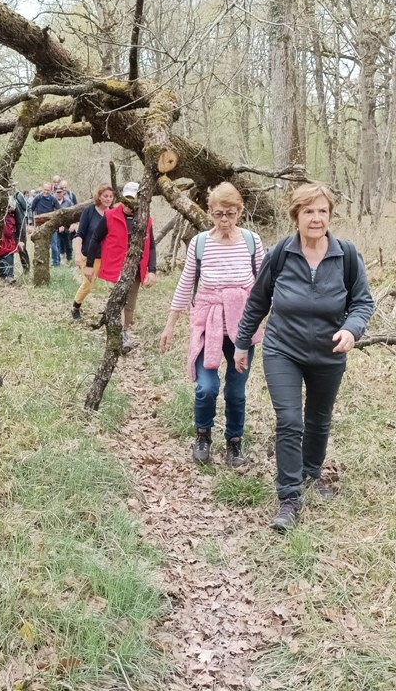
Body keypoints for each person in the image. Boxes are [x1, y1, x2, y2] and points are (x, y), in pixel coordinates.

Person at [234, 182, 374, 531]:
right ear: (296, 215)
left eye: (322, 211)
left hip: (329, 352)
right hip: (283, 349)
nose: (316, 218)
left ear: (330, 215)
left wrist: (352, 330)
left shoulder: (346, 256)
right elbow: (257, 302)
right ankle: (289, 497)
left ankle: (312, 473)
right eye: (308, 211)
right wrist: (241, 343)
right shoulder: (280, 253)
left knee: (319, 419)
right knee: (290, 420)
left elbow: (362, 302)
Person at [159, 182, 265, 467]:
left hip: (243, 326)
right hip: (209, 323)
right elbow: (185, 284)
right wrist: (170, 325)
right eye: (219, 214)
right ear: (210, 212)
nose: (225, 220)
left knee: (235, 389)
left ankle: (234, 443)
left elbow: (265, 286)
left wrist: (275, 320)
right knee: (206, 387)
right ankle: (203, 434)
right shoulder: (200, 243)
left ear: (240, 212)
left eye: (230, 214)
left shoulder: (252, 241)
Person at [85, 181, 156, 353]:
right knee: (119, 301)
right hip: (115, 267)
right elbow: (95, 239)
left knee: (129, 306)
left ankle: (122, 329)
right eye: (126, 199)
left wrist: (152, 270)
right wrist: (89, 264)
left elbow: (151, 246)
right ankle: (121, 336)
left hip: (136, 270)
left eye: (132, 199)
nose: (129, 204)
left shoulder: (145, 219)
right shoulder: (110, 216)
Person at [71, 182, 116, 320]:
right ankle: (75, 307)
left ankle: (112, 312)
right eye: (105, 196)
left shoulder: (113, 213)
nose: (108, 199)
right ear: (99, 196)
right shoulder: (89, 211)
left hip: (107, 256)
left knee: (114, 285)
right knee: (88, 286)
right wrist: (78, 254)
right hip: (90, 255)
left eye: (110, 196)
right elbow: (80, 234)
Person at [0, 194, 26, 285]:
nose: (9, 209)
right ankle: (3, 276)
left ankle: (10, 276)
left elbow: (20, 224)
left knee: (9, 253)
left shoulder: (15, 212)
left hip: (10, 237)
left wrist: (21, 239)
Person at [29, 182, 62, 265]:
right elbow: (31, 209)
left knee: (54, 246)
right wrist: (30, 223)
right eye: (45, 190)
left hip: (51, 225)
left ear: (51, 191)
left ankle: (56, 263)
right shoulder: (37, 198)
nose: (46, 192)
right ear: (42, 189)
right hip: (40, 225)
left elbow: (60, 210)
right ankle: (43, 261)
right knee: (41, 244)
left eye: (48, 190)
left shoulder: (53, 199)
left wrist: (61, 224)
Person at [53, 182, 75, 265]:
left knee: (68, 245)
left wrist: (73, 225)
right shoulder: (52, 202)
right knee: (57, 245)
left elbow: (73, 214)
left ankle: (70, 261)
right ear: (55, 193)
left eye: (60, 192)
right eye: (57, 192)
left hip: (67, 227)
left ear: (63, 192)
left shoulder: (68, 202)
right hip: (56, 227)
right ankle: (58, 261)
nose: (59, 194)